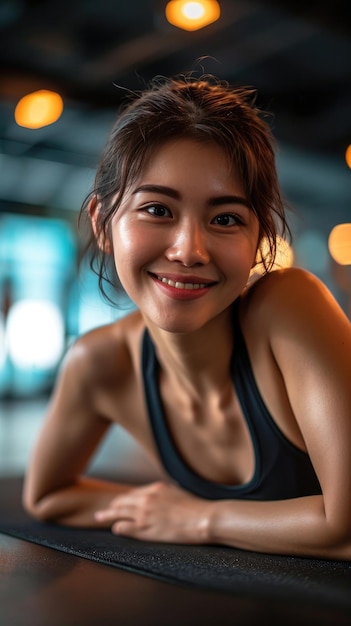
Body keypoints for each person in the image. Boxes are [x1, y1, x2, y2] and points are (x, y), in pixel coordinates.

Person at [23, 74, 351, 560]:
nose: (189, 250)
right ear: (102, 223)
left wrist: (197, 517)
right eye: (157, 209)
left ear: (259, 241)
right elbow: (46, 497)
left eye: (225, 219)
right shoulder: (100, 362)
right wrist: (157, 511)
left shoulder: (289, 307)